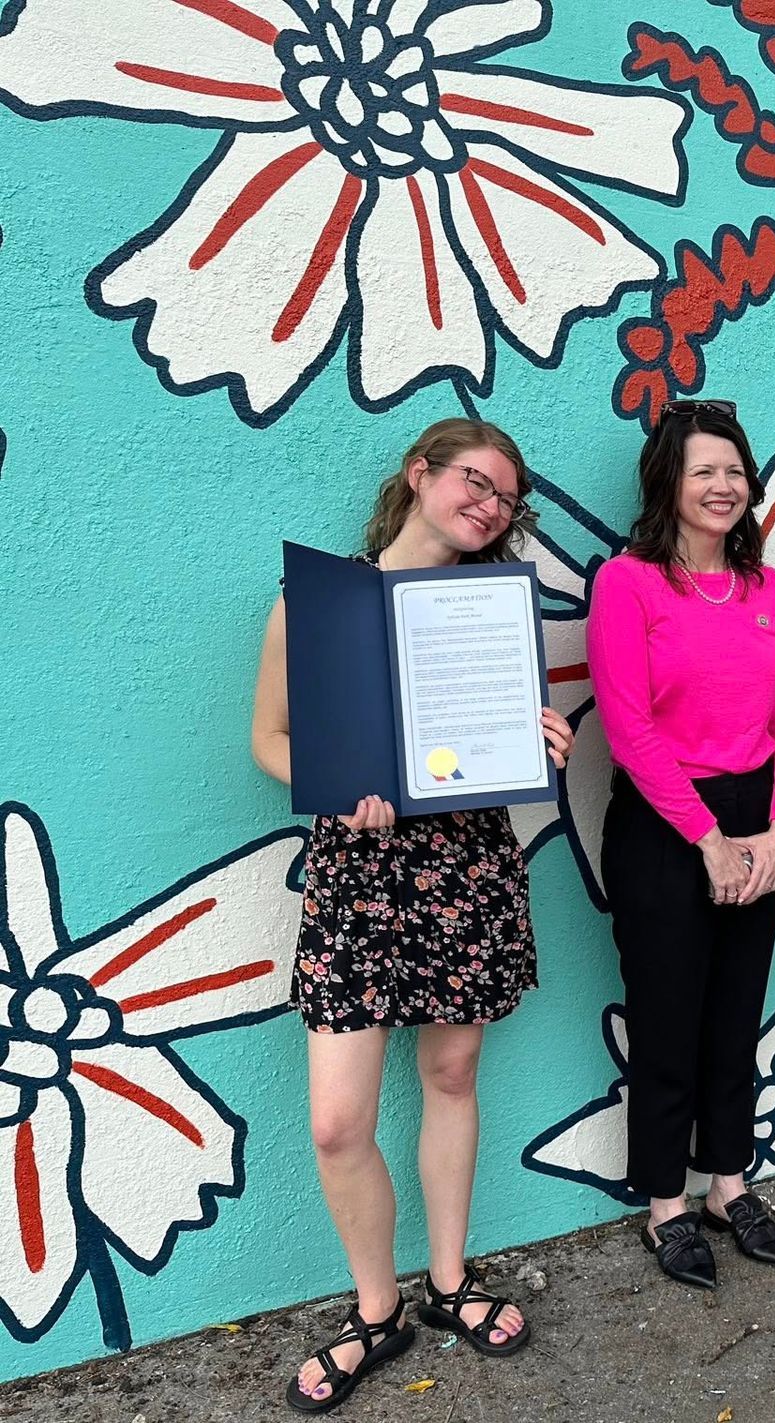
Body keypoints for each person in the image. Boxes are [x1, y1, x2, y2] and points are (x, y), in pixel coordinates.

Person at [252, 418, 573, 1412]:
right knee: (338, 1121)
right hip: (359, 876)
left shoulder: (491, 611)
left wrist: (538, 736)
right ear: (418, 472)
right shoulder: (321, 603)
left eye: (506, 499)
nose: (489, 505)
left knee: (453, 1070)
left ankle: (447, 1282)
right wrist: (335, 788)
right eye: (476, 481)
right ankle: (376, 1309)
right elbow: (269, 738)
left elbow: (491, 736)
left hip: (463, 865)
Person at [587, 397, 775, 1289]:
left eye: (734, 470)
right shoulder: (627, 582)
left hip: (759, 816)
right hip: (663, 821)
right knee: (668, 1017)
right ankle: (665, 1204)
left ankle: (727, 1181)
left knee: (734, 1012)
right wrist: (709, 839)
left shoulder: (767, 588)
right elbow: (628, 726)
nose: (723, 486)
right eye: (703, 470)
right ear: (668, 483)